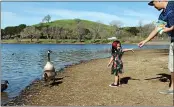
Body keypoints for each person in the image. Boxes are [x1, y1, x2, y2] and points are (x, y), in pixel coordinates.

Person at [138, 0, 174, 94]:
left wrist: (170, 28)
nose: (154, 7)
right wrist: (145, 41)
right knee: (172, 67)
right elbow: (157, 29)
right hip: (173, 41)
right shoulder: (162, 15)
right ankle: (172, 89)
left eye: (154, 4)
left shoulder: (173, 4)